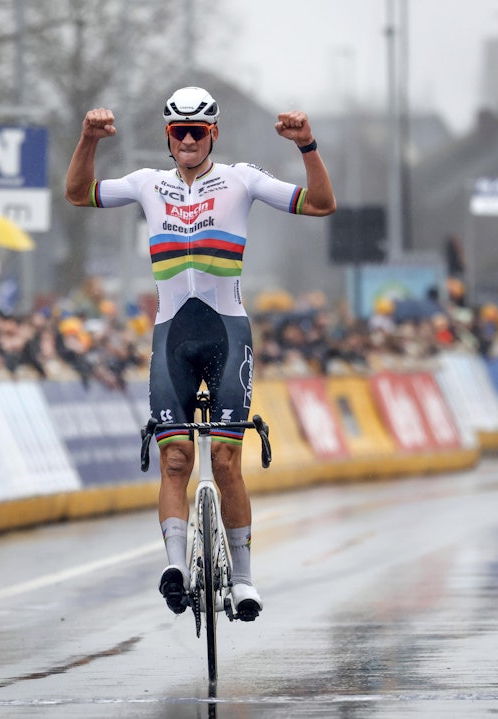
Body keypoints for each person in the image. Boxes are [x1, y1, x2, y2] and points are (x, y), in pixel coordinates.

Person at [65, 86, 336, 620]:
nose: (188, 140)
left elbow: (321, 204)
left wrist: (308, 146)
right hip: (171, 336)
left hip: (227, 332)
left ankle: (243, 581)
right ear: (168, 137)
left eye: (198, 132)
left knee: (227, 460)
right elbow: (77, 194)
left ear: (214, 134)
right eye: (178, 133)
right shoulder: (148, 185)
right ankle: (174, 567)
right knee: (174, 458)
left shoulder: (242, 179)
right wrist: (88, 138)